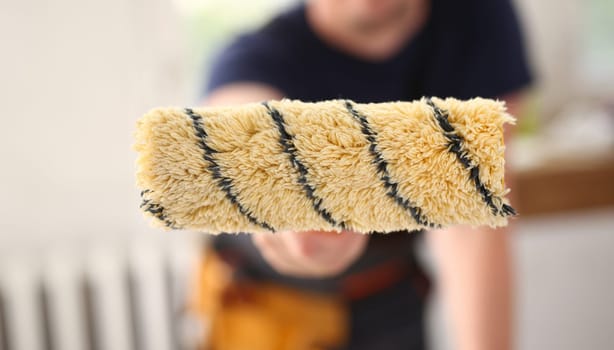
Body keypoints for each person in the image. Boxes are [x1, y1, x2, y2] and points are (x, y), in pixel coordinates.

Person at [198, 0, 532, 349]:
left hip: (390, 295)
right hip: (264, 306)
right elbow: (241, 123)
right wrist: (284, 206)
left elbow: (471, 212)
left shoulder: (476, 19)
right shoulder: (255, 58)